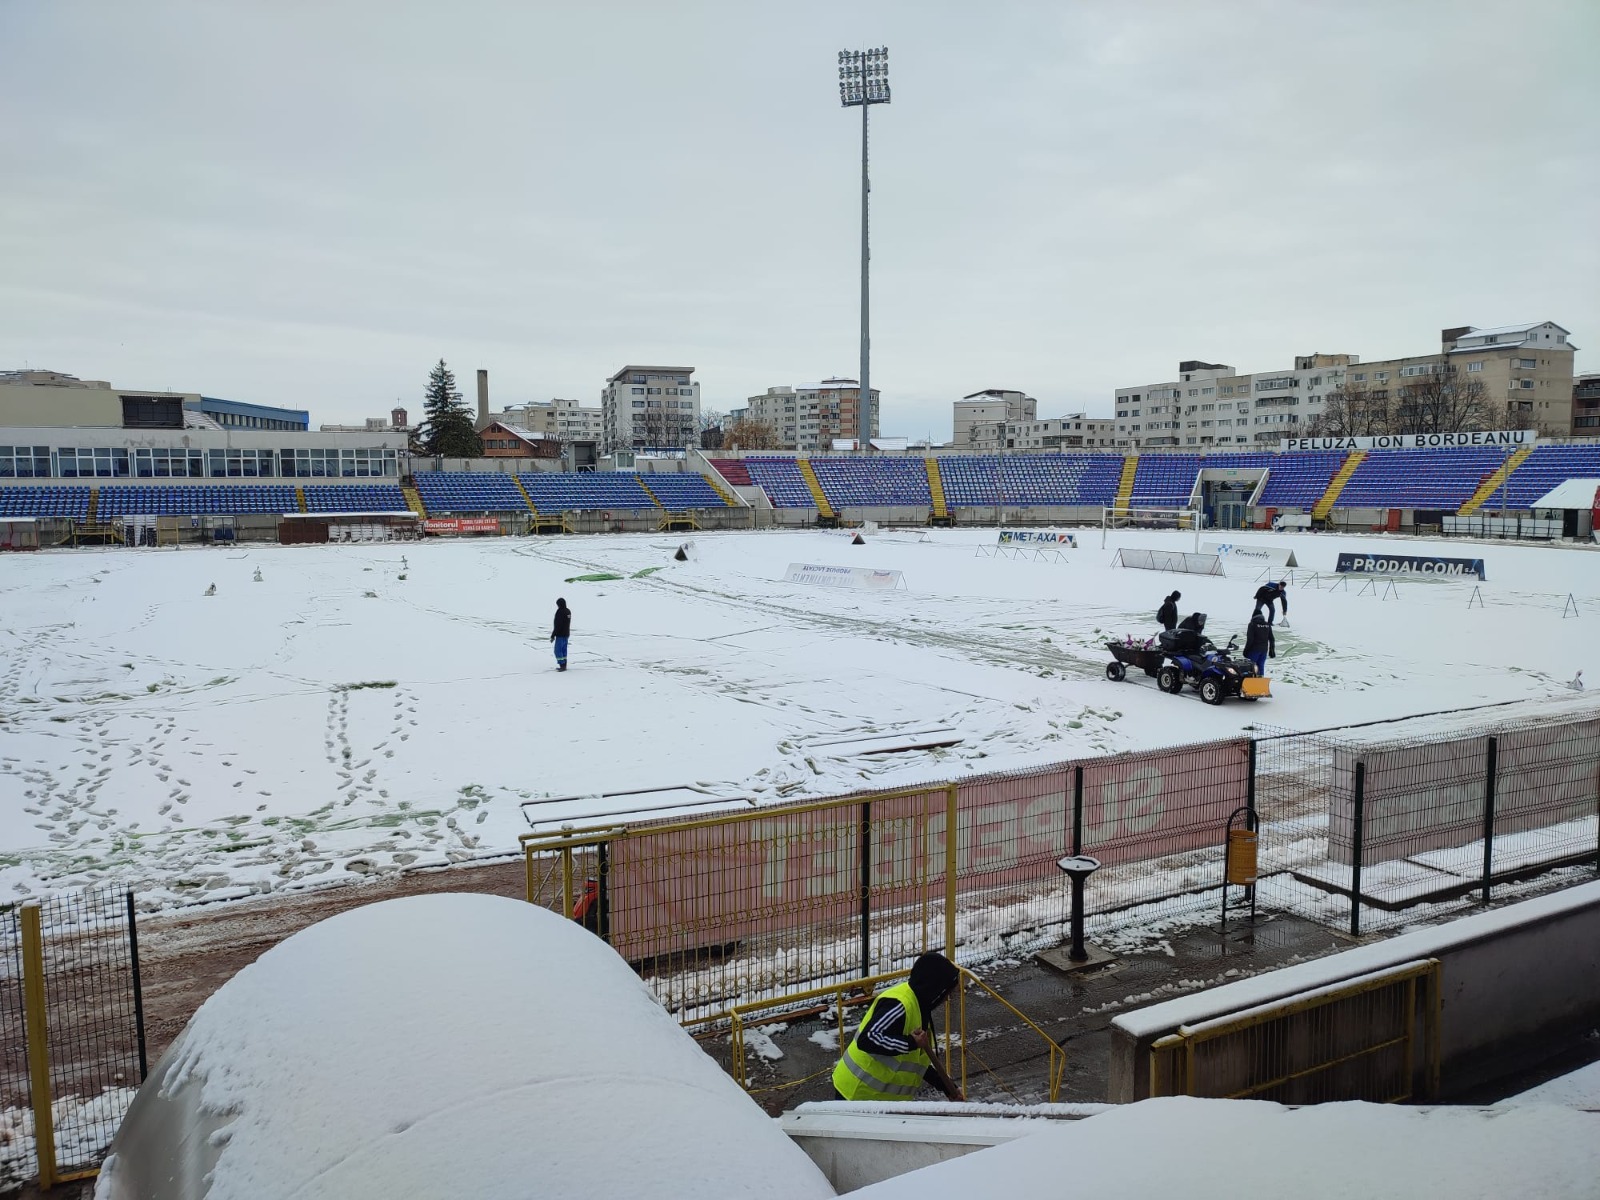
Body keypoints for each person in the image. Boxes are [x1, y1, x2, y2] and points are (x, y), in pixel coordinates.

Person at [833, 952, 965, 1102]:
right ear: (935, 988)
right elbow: (868, 1038)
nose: (947, 998)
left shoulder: (920, 1008)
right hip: (856, 1095)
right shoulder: (900, 1005)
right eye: (946, 992)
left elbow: (916, 1063)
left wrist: (947, 1087)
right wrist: (911, 1042)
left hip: (880, 1102)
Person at [1243, 612, 1275, 677]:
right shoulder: (1267, 625)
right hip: (1264, 650)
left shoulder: (1252, 624)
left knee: (1251, 667)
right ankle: (1260, 682)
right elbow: (1272, 638)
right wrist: (1272, 650)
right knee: (1261, 665)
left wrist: (1246, 650)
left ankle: (1251, 683)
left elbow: (1250, 639)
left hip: (1254, 650)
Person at [550, 597, 571, 672]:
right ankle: (564, 665)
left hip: (560, 634)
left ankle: (562, 665)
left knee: (558, 650)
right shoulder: (568, 611)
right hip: (566, 634)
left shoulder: (560, 612)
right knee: (563, 650)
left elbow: (558, 625)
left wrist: (553, 635)